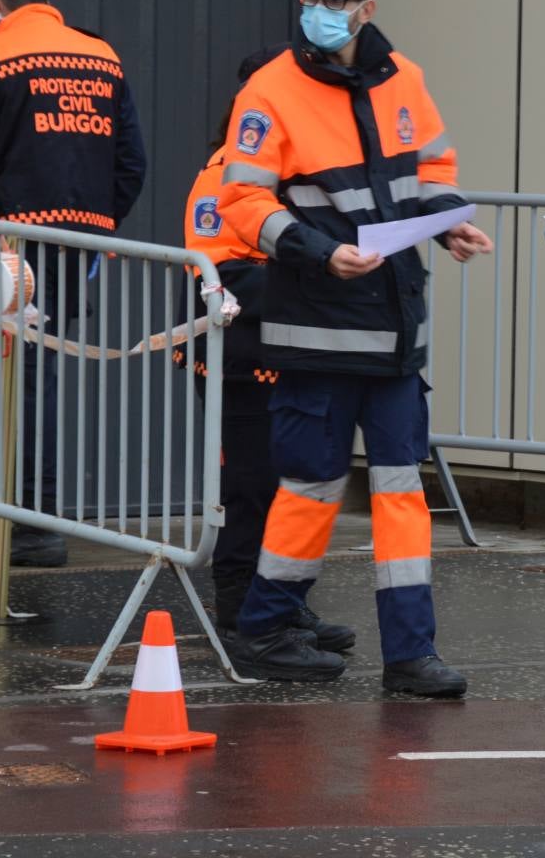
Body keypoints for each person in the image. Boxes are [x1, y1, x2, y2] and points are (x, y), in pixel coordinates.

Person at [218, 0, 493, 694]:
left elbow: (431, 174)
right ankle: (267, 628)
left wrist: (448, 223)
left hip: (395, 331)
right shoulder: (270, 90)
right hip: (318, 329)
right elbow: (242, 202)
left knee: (402, 495)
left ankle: (411, 654)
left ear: (366, 9)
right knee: (309, 486)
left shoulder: (405, 79)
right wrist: (314, 252)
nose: (320, 9)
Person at [0, 0, 147, 568]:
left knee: (24, 379)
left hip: (11, 246)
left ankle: (32, 523)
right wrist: (99, 225)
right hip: (76, 243)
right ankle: (38, 519)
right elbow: (132, 163)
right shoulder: (101, 56)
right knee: (44, 377)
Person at [176, 50, 355, 658]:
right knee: (250, 485)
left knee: (292, 486)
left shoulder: (297, 171)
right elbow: (218, 274)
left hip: (289, 351)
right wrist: (316, 278)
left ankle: (283, 604)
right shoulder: (226, 171)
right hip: (237, 356)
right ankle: (240, 611)